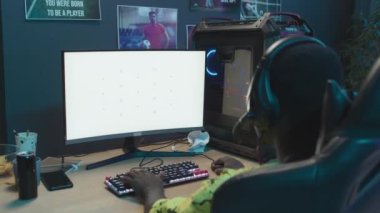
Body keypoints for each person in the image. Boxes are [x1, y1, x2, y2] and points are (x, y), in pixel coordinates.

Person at [122, 37, 344, 213]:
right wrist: (243, 173)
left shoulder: (231, 193)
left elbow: (164, 212)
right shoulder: (354, 172)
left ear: (264, 111)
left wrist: (152, 189)